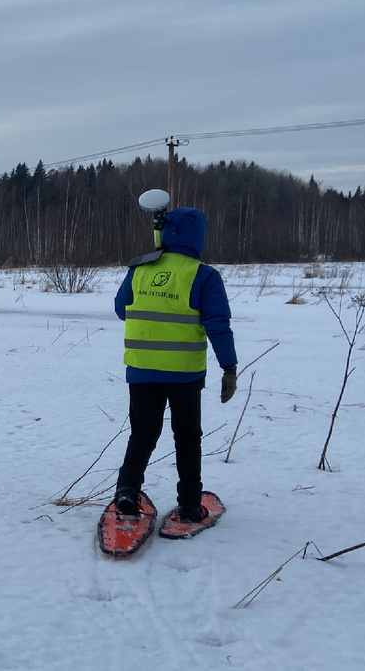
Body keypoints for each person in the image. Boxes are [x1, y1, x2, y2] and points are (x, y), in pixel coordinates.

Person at [112, 206, 237, 525]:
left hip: (141, 370)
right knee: (187, 436)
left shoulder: (140, 269)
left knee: (142, 433)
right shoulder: (204, 276)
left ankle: (127, 492)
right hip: (184, 374)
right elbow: (218, 325)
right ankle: (191, 506)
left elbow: (121, 309)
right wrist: (229, 368)